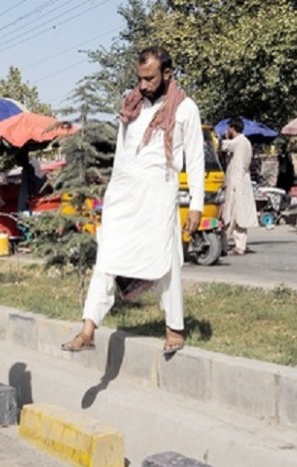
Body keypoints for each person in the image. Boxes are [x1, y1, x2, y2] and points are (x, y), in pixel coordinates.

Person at [61, 46, 205, 356]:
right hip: (124, 195)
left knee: (166, 261)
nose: (142, 85)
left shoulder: (185, 109)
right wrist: (111, 194)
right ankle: (88, 328)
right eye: (139, 78)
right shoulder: (132, 105)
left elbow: (194, 159)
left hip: (160, 193)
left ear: (167, 74)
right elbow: (122, 155)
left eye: (150, 79)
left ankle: (174, 328)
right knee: (108, 257)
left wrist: (196, 204)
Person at [220, 117, 258, 256]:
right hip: (242, 181)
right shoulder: (246, 142)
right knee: (237, 215)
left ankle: (227, 245)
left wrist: (223, 137)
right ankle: (238, 245)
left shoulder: (238, 142)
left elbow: (224, 145)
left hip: (236, 182)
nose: (227, 131)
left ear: (232, 128)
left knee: (231, 214)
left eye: (228, 128)